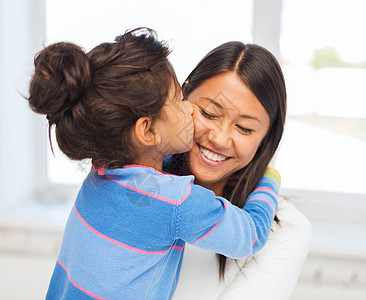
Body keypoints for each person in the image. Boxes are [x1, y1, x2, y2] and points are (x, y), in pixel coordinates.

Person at [27, 28, 281, 299]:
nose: (190, 108)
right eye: (179, 101)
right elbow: (250, 235)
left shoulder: (102, 170)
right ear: (147, 131)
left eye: (243, 127)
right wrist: (270, 178)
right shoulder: (177, 200)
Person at [165, 42, 312, 299]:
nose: (220, 139)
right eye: (209, 113)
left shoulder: (285, 230)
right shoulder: (133, 183)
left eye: (244, 128)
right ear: (183, 97)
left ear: (267, 137)